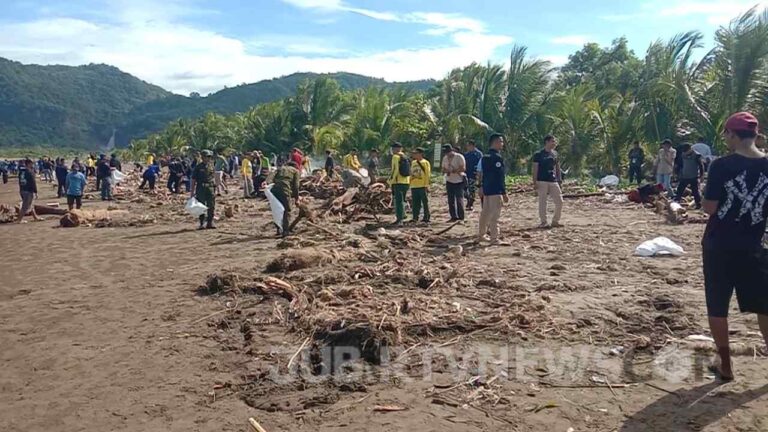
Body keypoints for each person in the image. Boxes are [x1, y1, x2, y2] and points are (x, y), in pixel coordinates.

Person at [701, 111, 768, 381]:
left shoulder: (721, 166)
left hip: (720, 244)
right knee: (764, 306)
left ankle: (725, 365)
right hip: (754, 244)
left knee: (718, 305)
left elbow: (710, 207)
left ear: (732, 134)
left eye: (726, 135)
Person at [477, 133, 510, 244]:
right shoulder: (497, 158)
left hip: (487, 189)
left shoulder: (484, 158)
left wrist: (480, 186)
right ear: (495, 142)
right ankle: (494, 238)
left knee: (485, 213)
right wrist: (504, 192)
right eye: (500, 141)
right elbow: (500, 177)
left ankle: (481, 234)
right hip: (495, 190)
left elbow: (481, 174)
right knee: (495, 215)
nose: (502, 144)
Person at [532, 135, 564, 228]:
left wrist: (559, 179)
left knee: (559, 201)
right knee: (543, 202)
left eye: (555, 141)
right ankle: (543, 222)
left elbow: (557, 167)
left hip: (553, 180)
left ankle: (555, 221)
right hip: (541, 180)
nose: (554, 143)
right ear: (546, 142)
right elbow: (535, 168)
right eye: (552, 141)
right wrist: (534, 182)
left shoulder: (555, 154)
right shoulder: (538, 154)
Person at [271, 161, 301, 237]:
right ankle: (285, 231)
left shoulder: (280, 169)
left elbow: (272, 178)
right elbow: (296, 186)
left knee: (277, 210)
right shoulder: (295, 171)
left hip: (274, 190)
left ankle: (278, 229)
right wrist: (297, 198)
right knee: (287, 210)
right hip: (285, 191)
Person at [190, 150, 216, 230]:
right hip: (201, 188)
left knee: (211, 205)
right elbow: (193, 179)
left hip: (210, 188)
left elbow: (213, 177)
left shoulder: (211, 166)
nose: (208, 158)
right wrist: (192, 191)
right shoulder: (198, 167)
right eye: (206, 157)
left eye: (209, 157)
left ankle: (210, 222)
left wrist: (216, 188)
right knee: (201, 206)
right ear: (202, 157)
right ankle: (201, 223)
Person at [674, 144, 705, 209]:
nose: (685, 152)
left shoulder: (696, 155)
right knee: (680, 189)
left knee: (695, 191)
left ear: (690, 149)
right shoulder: (682, 155)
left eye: (686, 151)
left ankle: (698, 205)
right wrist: (676, 172)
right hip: (685, 175)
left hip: (694, 176)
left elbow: (701, 166)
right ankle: (676, 201)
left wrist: (702, 175)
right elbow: (679, 164)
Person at [441, 144, 466, 222]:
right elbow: (443, 169)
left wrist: (455, 171)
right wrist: (447, 171)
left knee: (459, 199)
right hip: (449, 180)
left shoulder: (459, 157)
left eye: (448, 152)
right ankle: (453, 216)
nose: (447, 154)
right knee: (450, 200)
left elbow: (463, 168)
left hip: (459, 180)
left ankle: (461, 217)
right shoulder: (445, 158)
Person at [389, 142, 410, 226]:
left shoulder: (395, 157)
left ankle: (399, 219)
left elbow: (395, 170)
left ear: (394, 149)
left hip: (398, 182)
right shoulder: (405, 156)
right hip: (406, 182)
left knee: (398, 202)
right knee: (403, 200)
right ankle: (403, 215)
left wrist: (389, 181)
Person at [409, 147, 431, 224]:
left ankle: (426, 217)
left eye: (416, 153)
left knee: (425, 202)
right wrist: (410, 182)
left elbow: (427, 174)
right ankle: (415, 217)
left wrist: (426, 185)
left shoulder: (425, 162)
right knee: (415, 202)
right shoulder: (413, 162)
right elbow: (411, 173)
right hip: (414, 185)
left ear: (421, 154)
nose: (414, 155)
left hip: (422, 185)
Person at [464, 140, 483, 211]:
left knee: (472, 189)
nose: (467, 147)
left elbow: (481, 165)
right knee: (465, 190)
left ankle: (470, 203)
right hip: (466, 174)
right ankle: (468, 200)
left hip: (474, 174)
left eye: (468, 145)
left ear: (472, 145)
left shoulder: (478, 154)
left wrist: (478, 175)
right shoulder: (466, 154)